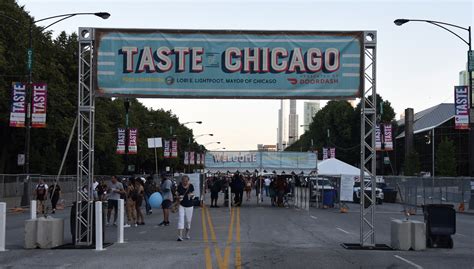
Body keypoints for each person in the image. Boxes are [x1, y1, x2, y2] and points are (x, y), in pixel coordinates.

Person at [176, 175, 194, 241]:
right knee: (181, 219)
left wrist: (191, 196)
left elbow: (192, 194)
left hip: (189, 205)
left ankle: (187, 233)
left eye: (186, 181)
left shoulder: (191, 186)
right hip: (182, 205)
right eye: (184, 181)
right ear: (182, 181)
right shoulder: (179, 186)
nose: (185, 182)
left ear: (188, 181)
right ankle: (180, 236)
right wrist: (178, 197)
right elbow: (177, 195)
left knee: (188, 221)